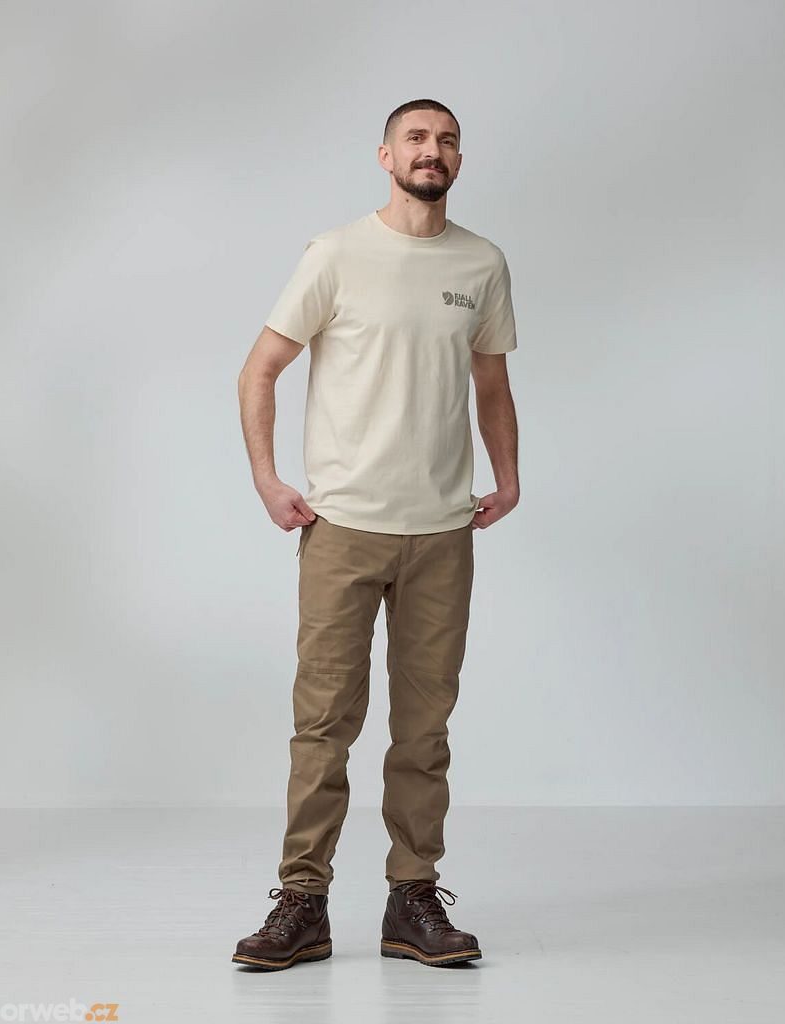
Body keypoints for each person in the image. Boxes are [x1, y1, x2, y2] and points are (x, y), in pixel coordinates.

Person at [232, 98, 519, 971]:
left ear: (459, 159)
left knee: (425, 730)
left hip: (442, 531)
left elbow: (492, 383)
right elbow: (261, 368)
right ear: (386, 155)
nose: (434, 151)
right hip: (344, 527)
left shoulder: (481, 262)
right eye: (417, 139)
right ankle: (302, 902)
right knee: (323, 723)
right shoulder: (336, 254)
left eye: (448, 141)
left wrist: (509, 477)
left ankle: (412, 900)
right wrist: (268, 479)